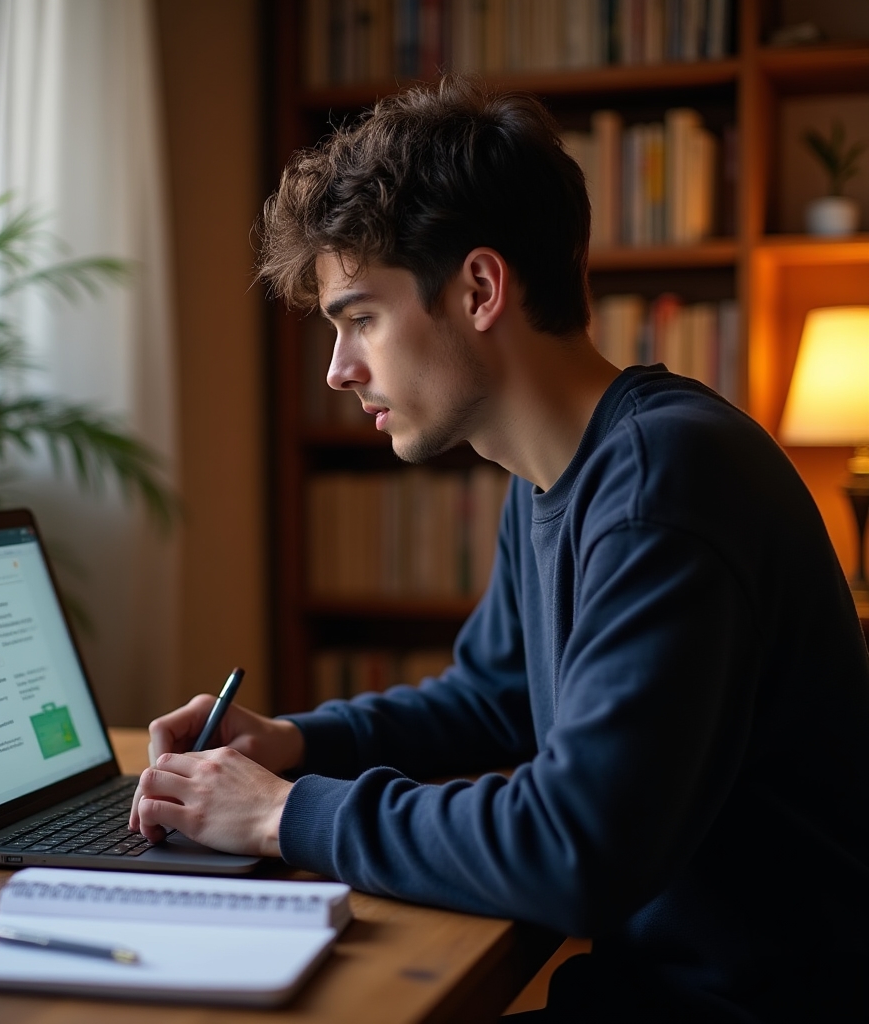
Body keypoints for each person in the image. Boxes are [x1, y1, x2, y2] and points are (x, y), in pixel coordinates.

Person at [129, 77, 868, 1022]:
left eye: (360, 317)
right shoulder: (559, 470)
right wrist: (297, 742)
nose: (338, 368)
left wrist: (281, 812)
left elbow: (574, 848)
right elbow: (497, 695)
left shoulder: (664, 484)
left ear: (479, 288)